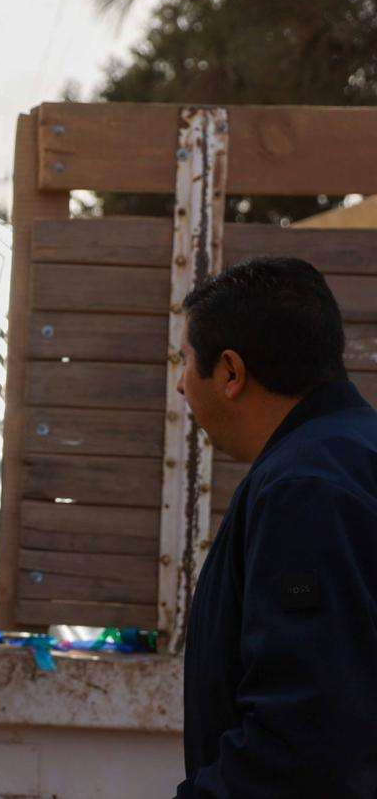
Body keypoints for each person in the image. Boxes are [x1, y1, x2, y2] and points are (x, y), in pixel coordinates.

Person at [174, 257, 377, 797]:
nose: (179, 384)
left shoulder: (307, 488)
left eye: (186, 360)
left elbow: (303, 733)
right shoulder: (352, 453)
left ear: (231, 373)